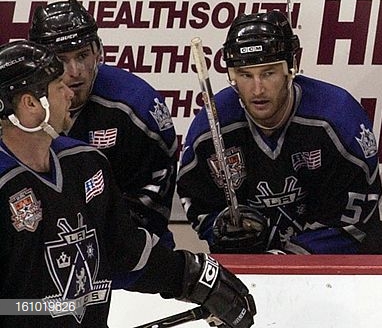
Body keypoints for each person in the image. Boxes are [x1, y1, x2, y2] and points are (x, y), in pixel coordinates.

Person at [0, 40, 255, 328]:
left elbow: (125, 252)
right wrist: (49, 309)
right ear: (30, 104)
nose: (69, 93)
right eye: (59, 86)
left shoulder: (84, 163)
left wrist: (191, 276)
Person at [177, 11, 382, 254]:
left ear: (290, 67)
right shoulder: (211, 129)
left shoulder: (336, 118)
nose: (257, 89)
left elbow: (357, 211)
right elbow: (198, 202)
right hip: (259, 269)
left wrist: (288, 257)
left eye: (268, 73)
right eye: (245, 75)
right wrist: (220, 227)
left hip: (344, 264)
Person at [28, 0, 177, 251]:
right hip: (47, 253)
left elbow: (157, 187)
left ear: (98, 51)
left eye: (83, 55)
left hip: (129, 253)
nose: (75, 71)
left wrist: (111, 234)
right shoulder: (19, 111)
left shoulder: (136, 105)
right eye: (61, 60)